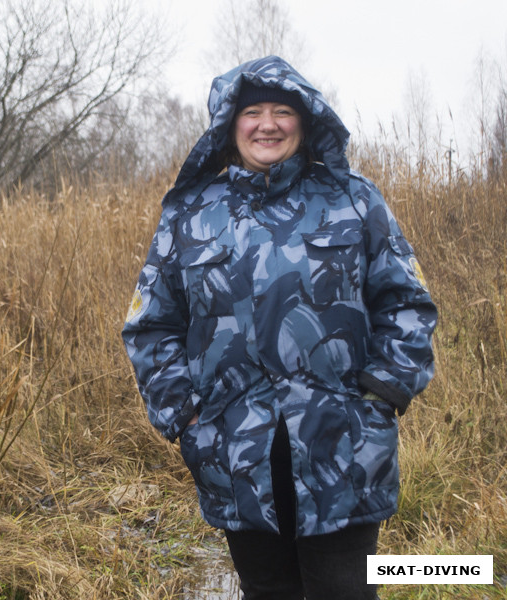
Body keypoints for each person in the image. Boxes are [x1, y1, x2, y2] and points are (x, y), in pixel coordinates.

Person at [122, 56, 436, 600]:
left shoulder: (354, 200)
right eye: (253, 112)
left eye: (282, 111)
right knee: (267, 590)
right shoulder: (190, 213)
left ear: (305, 120)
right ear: (229, 123)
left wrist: (381, 394)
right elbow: (151, 325)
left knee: (347, 590)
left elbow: (407, 302)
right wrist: (188, 416)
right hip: (236, 452)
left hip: (344, 447)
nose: (267, 124)